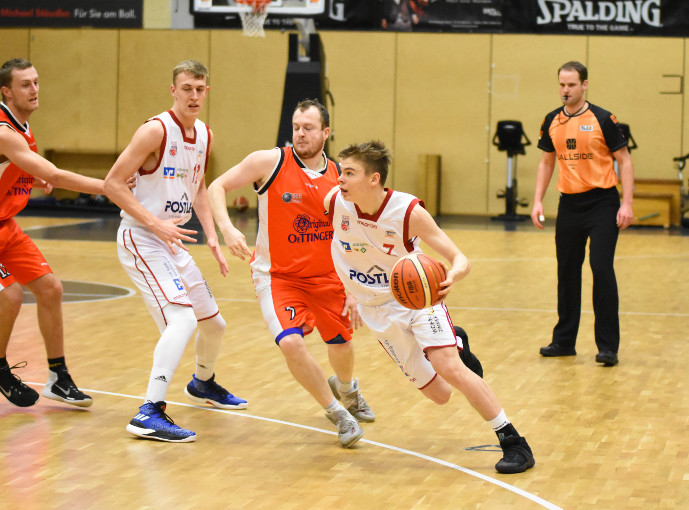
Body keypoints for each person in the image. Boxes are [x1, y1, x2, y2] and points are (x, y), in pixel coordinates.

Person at [324, 140, 534, 474]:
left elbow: (459, 257)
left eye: (350, 173)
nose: (341, 179)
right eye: (341, 171)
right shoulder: (334, 203)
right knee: (440, 394)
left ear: (373, 178)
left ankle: (513, 441)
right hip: (375, 310)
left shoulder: (407, 212)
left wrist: (453, 275)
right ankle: (458, 341)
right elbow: (342, 250)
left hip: (417, 297)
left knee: (450, 367)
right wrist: (349, 291)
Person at [207, 98, 373, 448]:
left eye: (309, 128)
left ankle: (347, 390)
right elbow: (216, 187)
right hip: (278, 277)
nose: (301, 134)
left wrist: (354, 284)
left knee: (341, 344)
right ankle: (337, 414)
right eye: (297, 127)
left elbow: (355, 232)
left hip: (328, 276)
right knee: (292, 343)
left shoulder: (340, 176)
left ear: (326, 133)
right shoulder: (270, 161)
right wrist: (227, 228)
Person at [104, 60, 246, 443]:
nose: (194, 95)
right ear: (173, 90)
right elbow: (112, 184)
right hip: (141, 237)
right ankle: (149, 411)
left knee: (214, 324)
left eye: (200, 89)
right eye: (186, 88)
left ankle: (202, 383)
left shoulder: (203, 135)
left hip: (172, 240)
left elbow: (197, 186)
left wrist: (213, 237)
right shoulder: (155, 131)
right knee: (181, 320)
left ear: (207, 91)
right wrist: (154, 223)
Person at [0, 58, 110, 408]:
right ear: (6, 92)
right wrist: (111, 187)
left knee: (50, 289)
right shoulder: (3, 130)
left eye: (35, 82)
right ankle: (0, 368)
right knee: (10, 296)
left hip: (6, 227)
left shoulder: (21, 126)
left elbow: (19, 167)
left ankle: (58, 377)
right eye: (25, 85)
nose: (34, 90)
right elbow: (57, 175)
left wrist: (34, 177)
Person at [530, 61, 634, 368]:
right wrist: (537, 201)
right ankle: (564, 341)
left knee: (601, 269)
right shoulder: (551, 120)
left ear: (584, 85)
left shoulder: (603, 118)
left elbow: (624, 161)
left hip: (603, 203)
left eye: (572, 85)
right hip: (569, 205)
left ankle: (607, 347)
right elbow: (547, 162)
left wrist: (626, 203)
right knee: (567, 271)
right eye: (562, 84)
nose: (565, 90)